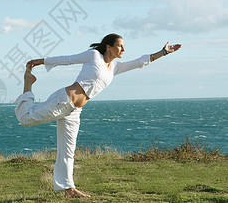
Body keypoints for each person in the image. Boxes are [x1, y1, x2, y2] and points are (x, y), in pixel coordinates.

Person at [15, 33, 181, 198]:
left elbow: (140, 62)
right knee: (26, 119)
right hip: (63, 100)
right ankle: (28, 82)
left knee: (68, 150)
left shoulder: (114, 67)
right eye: (120, 45)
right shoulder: (94, 56)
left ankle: (69, 190)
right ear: (108, 46)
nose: (123, 49)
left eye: (123, 46)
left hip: (74, 110)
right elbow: (68, 59)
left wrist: (163, 52)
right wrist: (41, 61)